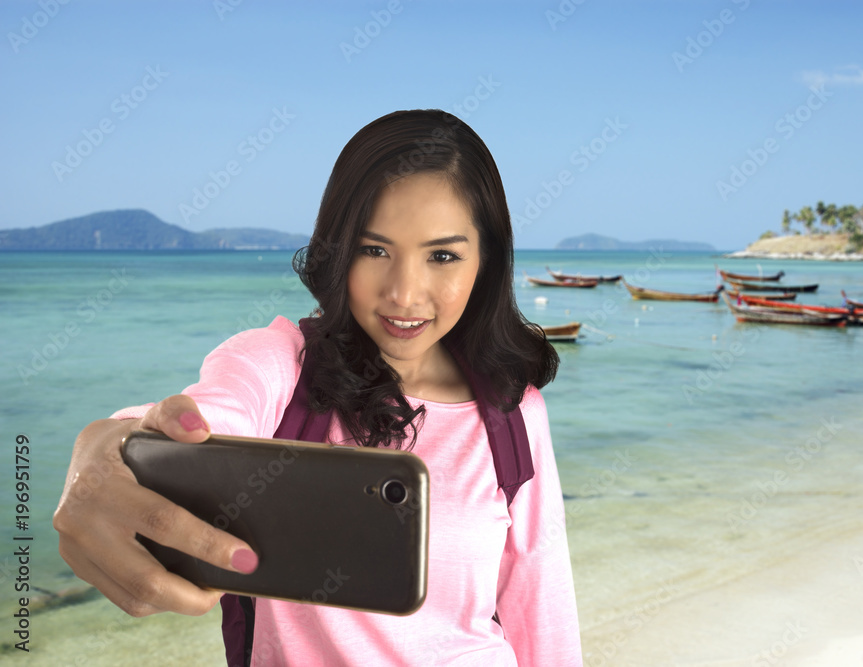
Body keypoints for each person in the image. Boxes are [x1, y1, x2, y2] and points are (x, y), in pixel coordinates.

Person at [53, 109, 583, 665]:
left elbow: (541, 604)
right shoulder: (281, 365)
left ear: (486, 262)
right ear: (337, 249)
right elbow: (210, 414)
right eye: (373, 249)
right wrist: (112, 444)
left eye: (443, 255)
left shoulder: (514, 411)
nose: (404, 293)